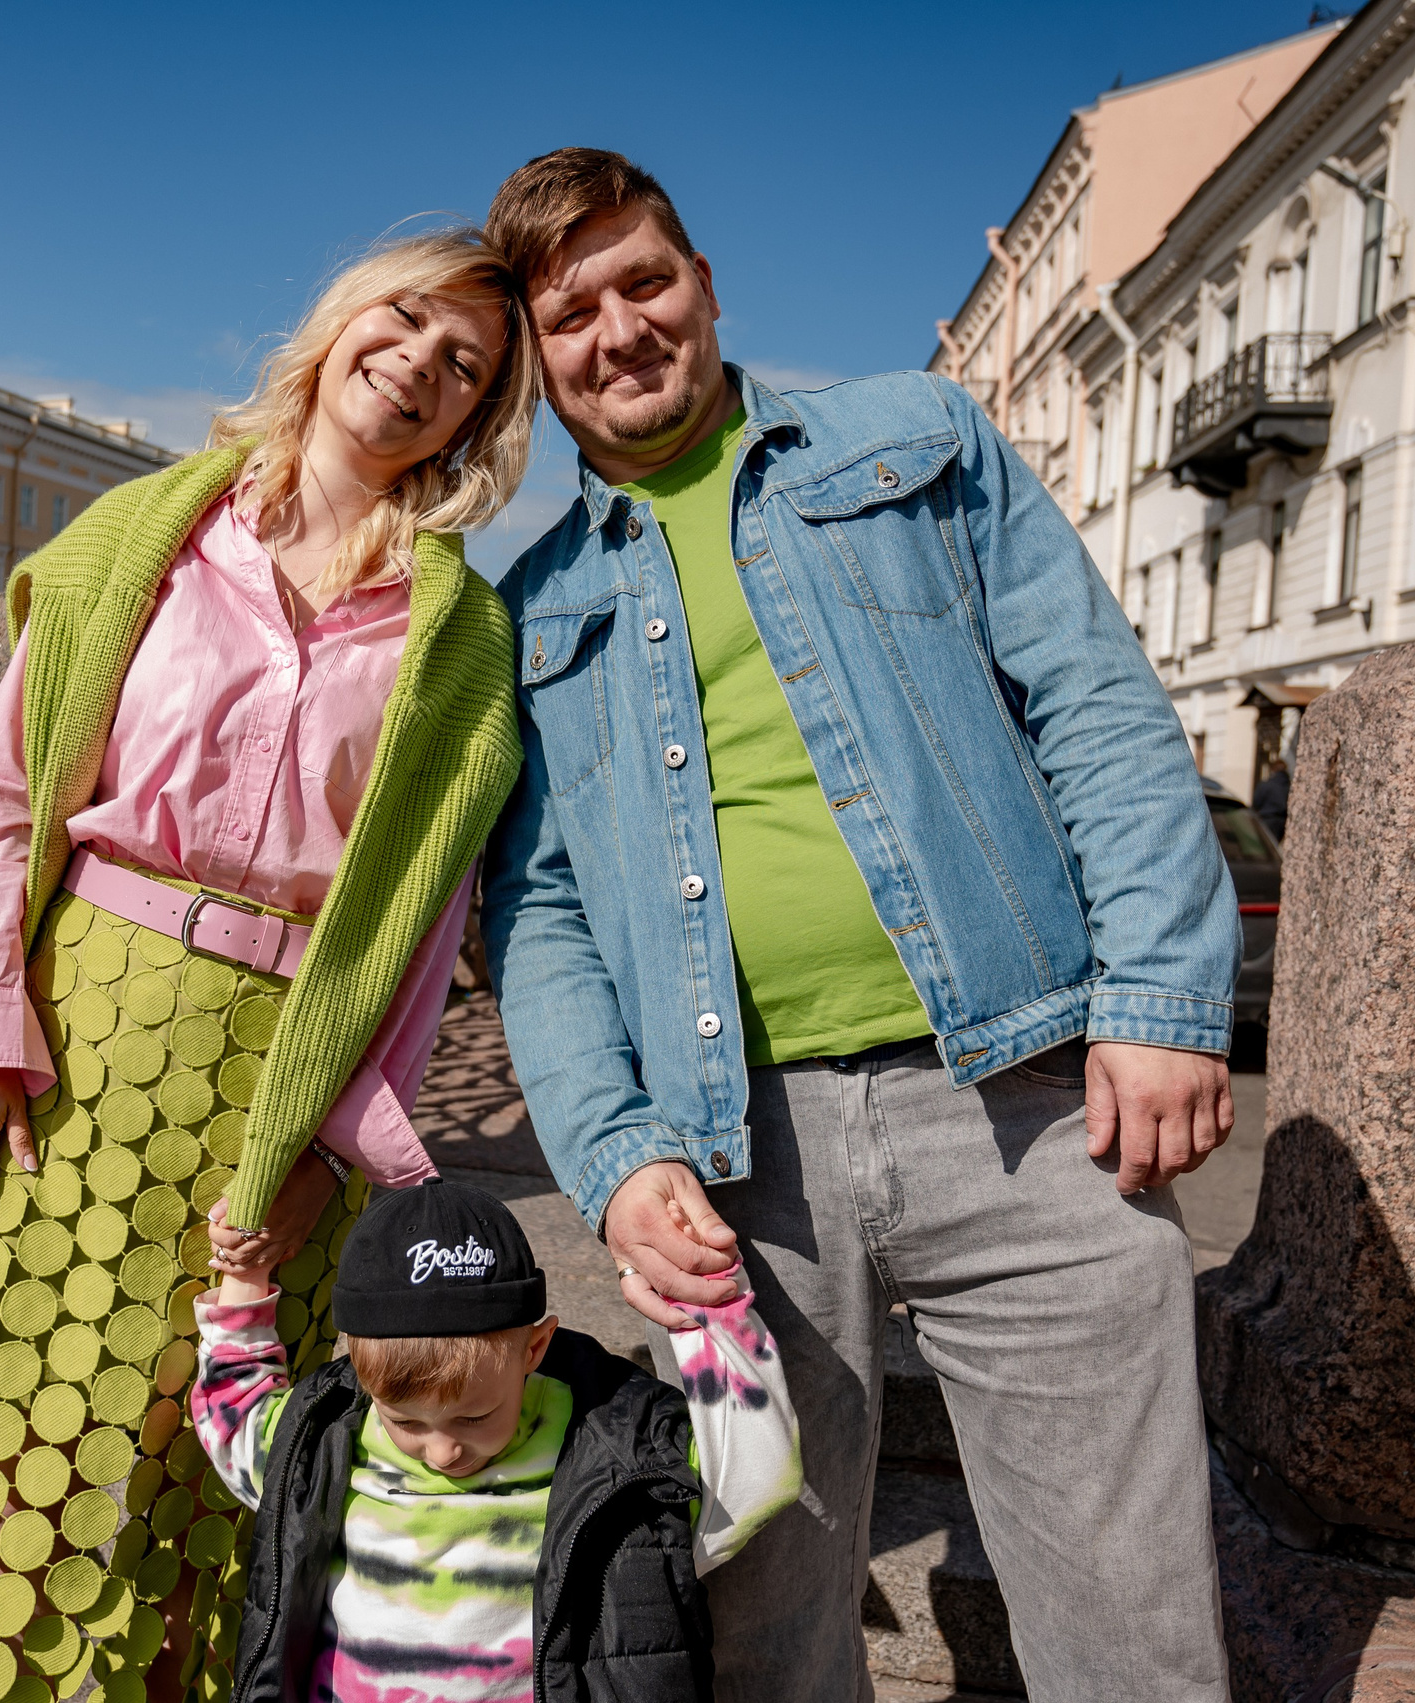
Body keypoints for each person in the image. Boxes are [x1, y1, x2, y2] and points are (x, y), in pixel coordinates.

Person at [0, 227, 539, 1701]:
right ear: (342, 320)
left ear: (479, 417)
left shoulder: (461, 629)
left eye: (463, 363)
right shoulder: (147, 532)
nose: (419, 364)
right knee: (11, 1436)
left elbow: (419, 928)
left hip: (271, 1082)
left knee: (182, 1469)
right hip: (80, 1046)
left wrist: (333, 1157)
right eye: (405, 320)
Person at [477, 149, 1240, 1702]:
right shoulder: (530, 608)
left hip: (1027, 1104)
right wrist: (617, 1156)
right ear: (538, 368)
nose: (620, 330)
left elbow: (1092, 703)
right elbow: (538, 914)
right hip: (733, 1165)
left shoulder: (919, 438)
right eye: (572, 315)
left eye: (646, 282)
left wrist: (1161, 991)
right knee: (761, 1630)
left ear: (704, 284)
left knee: (1131, 1622)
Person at [191, 1178, 801, 1703]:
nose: (443, 1451)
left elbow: (752, 1479)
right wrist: (245, 1278)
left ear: (533, 1350)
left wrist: (705, 1299)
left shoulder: (608, 1458)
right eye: (406, 1423)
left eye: (474, 1418)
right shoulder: (322, 1446)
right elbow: (236, 1416)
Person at [1253, 756, 1291, 841]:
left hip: (1266, 820)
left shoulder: (1266, 785)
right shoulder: (1289, 787)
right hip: (1282, 822)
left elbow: (1256, 803)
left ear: (1272, 770)